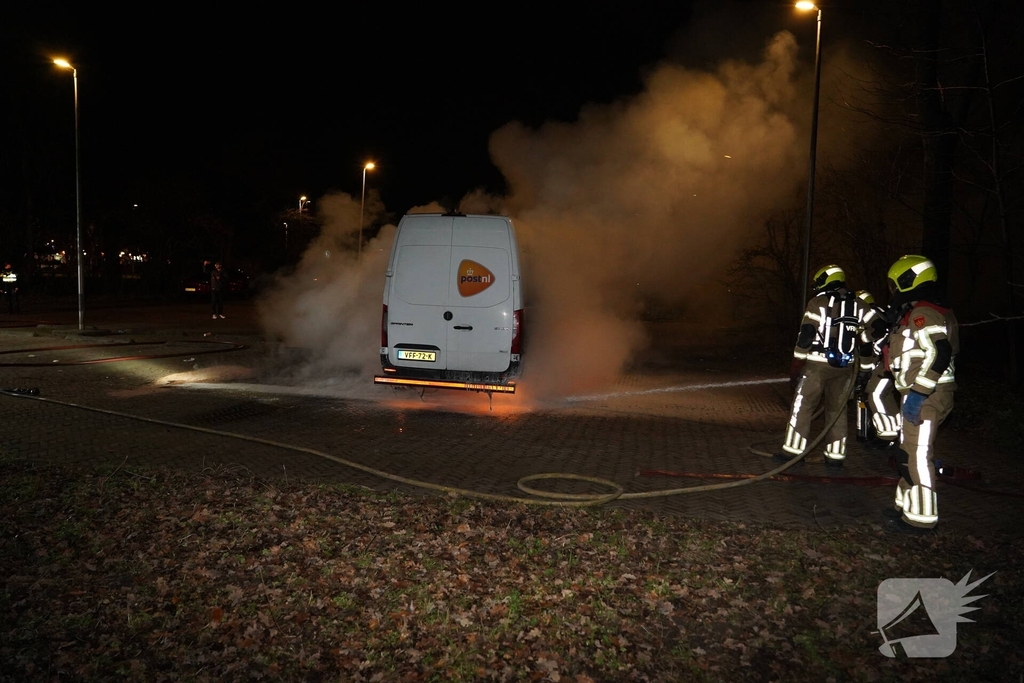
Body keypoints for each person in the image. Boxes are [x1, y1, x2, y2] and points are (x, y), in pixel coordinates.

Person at [882, 255, 958, 535]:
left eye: (894, 284)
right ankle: (904, 507)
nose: (892, 290)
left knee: (917, 457)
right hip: (919, 395)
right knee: (907, 454)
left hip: (926, 397)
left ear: (907, 280)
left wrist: (918, 393)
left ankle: (922, 519)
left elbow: (940, 352)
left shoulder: (922, 314)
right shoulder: (917, 313)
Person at [775, 265, 865, 467]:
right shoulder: (857, 304)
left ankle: (793, 453)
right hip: (845, 367)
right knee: (837, 411)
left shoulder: (818, 303)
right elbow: (873, 333)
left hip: (817, 365)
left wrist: (796, 364)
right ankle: (835, 457)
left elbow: (806, 335)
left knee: (803, 406)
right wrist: (865, 368)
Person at [855, 290, 901, 448]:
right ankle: (896, 432)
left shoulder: (869, 318)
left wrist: (864, 373)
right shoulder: (881, 314)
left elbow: (867, 348)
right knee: (886, 396)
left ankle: (885, 436)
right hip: (893, 361)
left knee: (874, 394)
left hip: (885, 362)